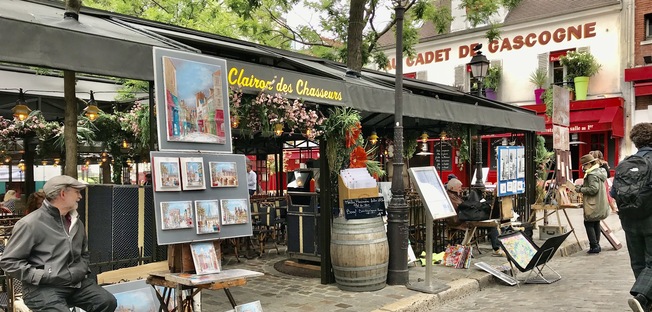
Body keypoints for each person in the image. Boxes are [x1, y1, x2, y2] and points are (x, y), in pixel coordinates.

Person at [0, 175, 117, 312]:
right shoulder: (29, 224)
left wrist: (80, 270)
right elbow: (9, 261)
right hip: (41, 288)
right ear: (62, 194)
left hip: (75, 284)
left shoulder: (75, 221)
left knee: (107, 302)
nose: (80, 196)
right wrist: (41, 275)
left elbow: (84, 253)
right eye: (77, 192)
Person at [613, 123, 652, 312]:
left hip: (629, 221)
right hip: (651, 220)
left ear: (636, 142)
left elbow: (614, 192)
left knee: (638, 262)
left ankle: (644, 301)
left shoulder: (625, 163)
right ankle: (644, 298)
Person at [446, 178, 502, 256]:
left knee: (492, 223)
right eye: (459, 187)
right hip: (460, 220)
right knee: (492, 224)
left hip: (464, 217)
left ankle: (496, 248)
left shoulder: (454, 195)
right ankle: (496, 248)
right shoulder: (451, 197)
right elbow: (461, 207)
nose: (461, 189)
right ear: (452, 188)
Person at [575, 154, 610, 254]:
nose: (583, 167)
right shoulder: (599, 171)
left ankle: (594, 246)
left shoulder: (591, 174)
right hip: (599, 202)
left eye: (585, 165)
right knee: (596, 222)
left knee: (589, 223)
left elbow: (593, 189)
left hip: (593, 203)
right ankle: (596, 245)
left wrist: (580, 189)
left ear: (590, 164)